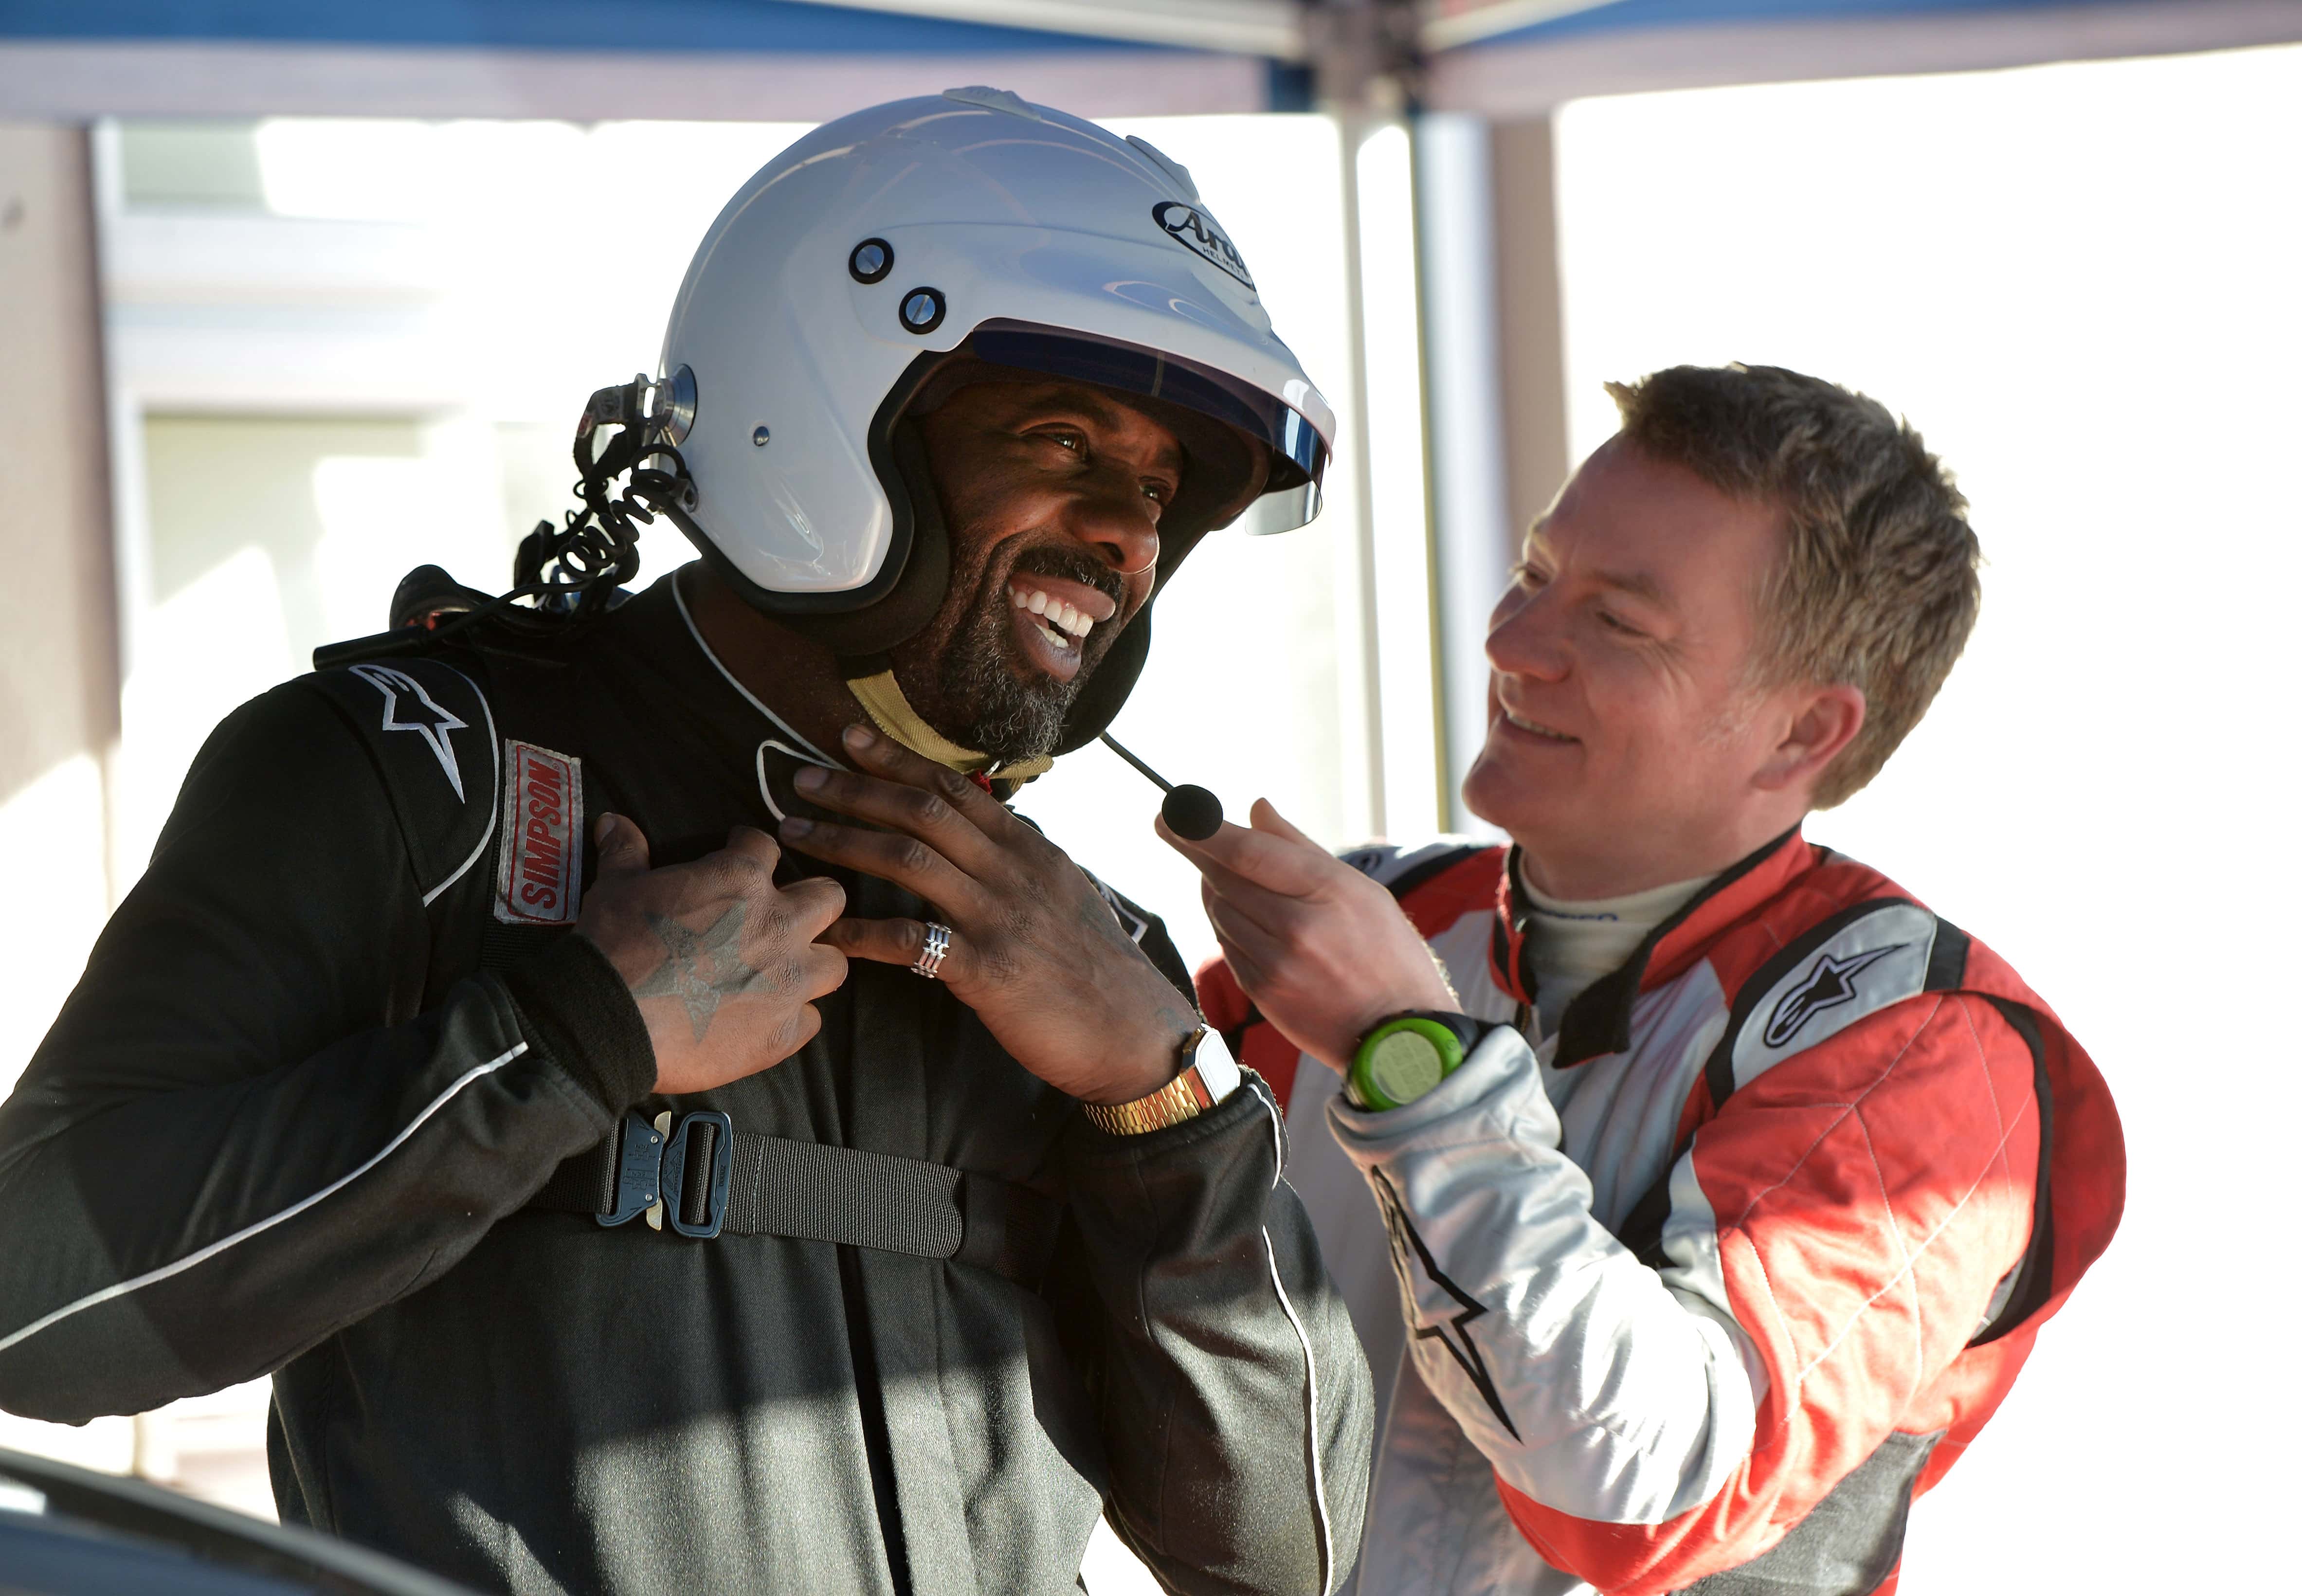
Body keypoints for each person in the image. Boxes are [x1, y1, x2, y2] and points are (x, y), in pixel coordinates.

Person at [0, 91, 1372, 1596]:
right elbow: (37, 1308)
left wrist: (1159, 1097)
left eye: (1163, 491)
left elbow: (1282, 1557)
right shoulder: (418, 775)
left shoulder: (1081, 954)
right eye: (1063, 440)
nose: (1127, 535)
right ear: (835, 418)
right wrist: (567, 1039)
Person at [1170, 364, 2124, 1596]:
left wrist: (1406, 1052)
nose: (1510, 644)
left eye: (1617, 623)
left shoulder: (1927, 1051)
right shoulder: (1374, 919)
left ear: (1802, 733)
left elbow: (1637, 1497)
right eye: (1530, 575)